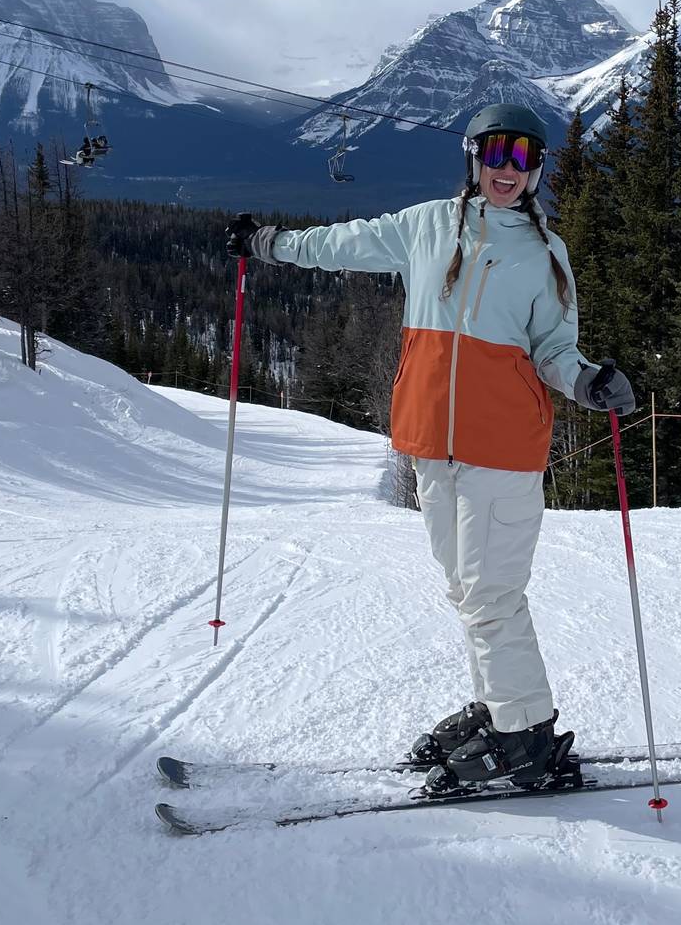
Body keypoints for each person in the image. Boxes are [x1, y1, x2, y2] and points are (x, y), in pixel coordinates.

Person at [225, 103, 635, 787]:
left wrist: (587, 380)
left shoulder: (546, 255)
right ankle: (499, 705)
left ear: (536, 170)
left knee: (491, 592)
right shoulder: (426, 226)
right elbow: (343, 245)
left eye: (523, 157)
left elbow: (556, 350)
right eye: (496, 153)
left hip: (502, 446)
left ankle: (524, 736)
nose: (508, 169)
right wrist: (270, 244)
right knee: (464, 588)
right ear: (474, 158)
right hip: (430, 443)